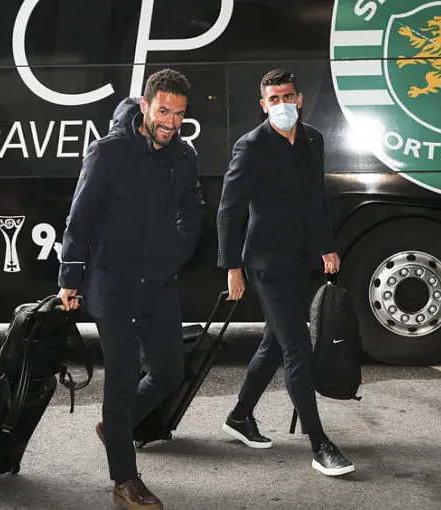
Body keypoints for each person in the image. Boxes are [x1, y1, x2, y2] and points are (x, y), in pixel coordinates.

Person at [57, 68, 205, 509]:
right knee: (121, 383)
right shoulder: (108, 152)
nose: (170, 122)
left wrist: (174, 253)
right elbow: (80, 218)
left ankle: (114, 428)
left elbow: (192, 211)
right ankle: (124, 480)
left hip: (158, 283)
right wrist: (70, 279)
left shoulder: (183, 156)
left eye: (179, 114)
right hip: (113, 285)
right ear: (145, 106)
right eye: (163, 111)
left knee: (169, 372)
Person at [216, 69, 355, 477]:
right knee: (297, 347)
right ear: (263, 105)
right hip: (265, 264)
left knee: (275, 343)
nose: (282, 105)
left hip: (301, 261)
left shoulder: (313, 139)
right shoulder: (250, 146)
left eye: (287, 97)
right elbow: (229, 210)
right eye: (273, 99)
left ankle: (240, 415)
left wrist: (327, 245)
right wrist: (232, 266)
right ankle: (320, 444)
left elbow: (316, 199)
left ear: (299, 99)